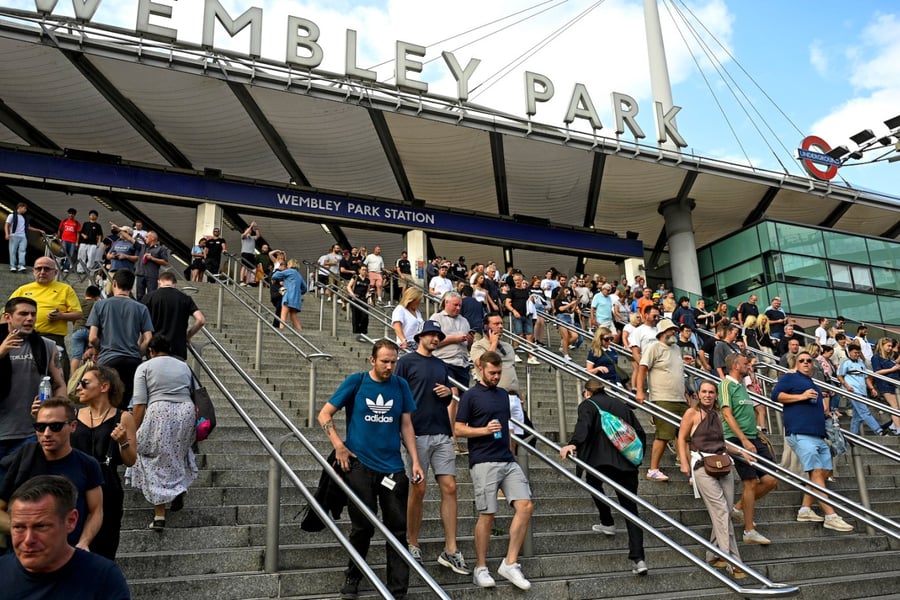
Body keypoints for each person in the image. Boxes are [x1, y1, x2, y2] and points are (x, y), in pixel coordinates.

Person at [317, 340, 422, 600]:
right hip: (360, 464)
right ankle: (353, 576)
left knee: (397, 530)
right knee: (363, 525)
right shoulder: (357, 381)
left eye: (393, 361)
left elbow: (406, 425)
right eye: (384, 361)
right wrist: (339, 446)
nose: (389, 366)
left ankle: (398, 591)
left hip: (393, 467)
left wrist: (415, 460)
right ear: (372, 360)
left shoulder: (400, 386)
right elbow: (324, 414)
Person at [394, 321, 471, 575]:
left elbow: (447, 397)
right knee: (419, 488)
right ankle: (412, 542)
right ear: (421, 336)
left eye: (438, 336)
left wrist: (448, 394)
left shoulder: (441, 365)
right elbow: (396, 393)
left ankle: (450, 549)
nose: (435, 339)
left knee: (450, 487)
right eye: (431, 334)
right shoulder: (406, 362)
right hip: (415, 433)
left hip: (440, 432)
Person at [455, 351, 534, 590]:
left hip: (506, 459)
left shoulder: (502, 395)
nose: (496, 377)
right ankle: (480, 567)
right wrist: (483, 431)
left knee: (526, 505)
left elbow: (506, 427)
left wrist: (509, 446)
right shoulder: (470, 396)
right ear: (480, 369)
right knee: (488, 514)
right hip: (483, 461)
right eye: (492, 373)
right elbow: (458, 429)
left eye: (499, 373)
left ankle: (510, 563)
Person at [560, 379, 648, 575]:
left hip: (600, 462)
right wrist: (636, 459)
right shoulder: (621, 405)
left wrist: (573, 444)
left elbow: (583, 428)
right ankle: (639, 558)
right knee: (630, 508)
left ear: (587, 392)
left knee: (593, 484)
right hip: (627, 464)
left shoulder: (588, 405)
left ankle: (607, 521)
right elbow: (640, 433)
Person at [0, 475, 130, 599]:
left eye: (41, 527)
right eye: (19, 527)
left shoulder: (103, 577)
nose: (28, 539)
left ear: (71, 521)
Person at [0, 398, 103, 551]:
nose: (47, 433)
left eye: (55, 426)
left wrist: (84, 542)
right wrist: (26, 532)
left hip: (69, 553)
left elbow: (96, 510)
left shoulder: (87, 464)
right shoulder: (21, 459)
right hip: (25, 554)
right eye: (40, 427)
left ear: (73, 426)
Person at [771, 350, 854, 531]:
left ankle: (805, 509)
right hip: (800, 433)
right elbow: (775, 395)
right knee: (816, 472)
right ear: (796, 363)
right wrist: (801, 396)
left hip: (817, 434)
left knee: (824, 472)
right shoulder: (789, 378)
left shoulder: (811, 382)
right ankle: (831, 516)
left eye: (809, 360)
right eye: (802, 360)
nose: (806, 363)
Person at [677, 382, 748, 579]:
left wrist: (742, 452)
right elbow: (682, 438)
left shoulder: (716, 415)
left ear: (716, 395)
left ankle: (713, 555)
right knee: (721, 511)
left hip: (722, 463)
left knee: (725, 510)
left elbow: (721, 442)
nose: (707, 395)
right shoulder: (691, 414)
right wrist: (684, 464)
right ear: (698, 394)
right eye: (704, 392)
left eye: (711, 392)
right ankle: (733, 561)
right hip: (701, 465)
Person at [128, 334, 198, 530]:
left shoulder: (145, 367)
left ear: (150, 351)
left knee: (151, 457)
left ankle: (159, 515)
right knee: (177, 453)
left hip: (159, 411)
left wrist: (133, 430)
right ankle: (178, 489)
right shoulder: (183, 366)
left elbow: (140, 404)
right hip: (186, 410)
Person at [72, 364, 136, 559]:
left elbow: (131, 460)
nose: (78, 388)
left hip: (107, 487)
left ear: (104, 386)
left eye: (85, 383)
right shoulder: (73, 415)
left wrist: (123, 442)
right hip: (76, 486)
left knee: (104, 548)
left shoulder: (123, 417)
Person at [0, 297, 66, 481]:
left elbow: (59, 384)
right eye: (23, 314)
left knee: (25, 491)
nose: (29, 318)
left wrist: (56, 413)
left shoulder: (46, 345)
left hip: (30, 432)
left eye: (33, 314)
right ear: (8, 317)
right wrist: (2, 352)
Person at [718, 353, 776, 546]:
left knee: (770, 480)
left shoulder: (742, 386)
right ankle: (749, 530)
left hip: (752, 436)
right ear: (735, 365)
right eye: (745, 363)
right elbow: (727, 414)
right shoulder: (726, 385)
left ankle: (739, 507)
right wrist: (743, 440)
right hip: (737, 438)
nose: (749, 366)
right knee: (750, 482)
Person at [84, 269, 154, 404]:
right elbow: (148, 338)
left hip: (108, 359)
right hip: (132, 360)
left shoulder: (100, 305)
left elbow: (92, 338)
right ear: (131, 286)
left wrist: (100, 349)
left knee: (106, 402)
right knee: (124, 402)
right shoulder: (141, 308)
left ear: (114, 283)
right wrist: (138, 352)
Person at [9, 256, 83, 380]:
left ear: (55, 272)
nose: (42, 272)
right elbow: (8, 312)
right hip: (26, 337)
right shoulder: (23, 289)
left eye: (47, 269)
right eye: (39, 268)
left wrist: (61, 316)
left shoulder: (65, 289)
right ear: (33, 271)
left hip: (53, 338)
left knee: (58, 376)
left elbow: (78, 313)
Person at [636, 318, 686, 482]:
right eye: (672, 330)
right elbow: (642, 368)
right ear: (663, 333)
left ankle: (688, 467)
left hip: (680, 398)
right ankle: (653, 469)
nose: (674, 332)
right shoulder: (654, 347)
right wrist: (640, 391)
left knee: (686, 435)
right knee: (664, 434)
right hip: (662, 397)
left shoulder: (677, 349)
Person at [142, 271, 207, 360]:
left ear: (159, 282)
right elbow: (201, 320)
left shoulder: (149, 297)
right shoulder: (185, 298)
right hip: (177, 350)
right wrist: (187, 336)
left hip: (155, 349)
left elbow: (140, 322)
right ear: (175, 284)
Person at [837, 344, 885, 435]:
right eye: (855, 352)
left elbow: (866, 377)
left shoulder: (860, 363)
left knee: (857, 416)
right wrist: (846, 386)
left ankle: (852, 435)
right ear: (850, 352)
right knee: (864, 411)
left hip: (862, 391)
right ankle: (878, 430)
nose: (857, 354)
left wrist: (872, 388)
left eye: (859, 353)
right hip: (853, 391)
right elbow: (840, 375)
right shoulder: (846, 362)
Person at [471, 313, 520, 390]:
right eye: (496, 324)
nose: (500, 326)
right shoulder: (478, 346)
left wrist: (519, 395)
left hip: (513, 395)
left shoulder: (508, 347)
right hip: (492, 393)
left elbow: (513, 372)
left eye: (501, 323)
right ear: (486, 327)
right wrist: (494, 343)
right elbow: (482, 364)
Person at [69, 285, 102, 375]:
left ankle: (73, 378)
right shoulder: (96, 304)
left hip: (77, 331)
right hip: (90, 331)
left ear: (85, 294)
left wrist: (76, 326)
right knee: (92, 353)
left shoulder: (79, 303)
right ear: (97, 297)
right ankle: (90, 374)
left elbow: (74, 317)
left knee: (76, 356)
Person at [5, 202, 45, 273]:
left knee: (22, 251)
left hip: (23, 236)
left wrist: (39, 230)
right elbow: (6, 225)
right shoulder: (11, 215)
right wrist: (7, 234)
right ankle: (13, 266)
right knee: (13, 251)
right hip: (14, 236)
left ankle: (21, 266)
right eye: (24, 208)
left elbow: (28, 227)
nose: (25, 210)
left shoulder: (24, 217)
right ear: (20, 207)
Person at [872, 338, 900, 435]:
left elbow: (894, 366)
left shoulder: (889, 358)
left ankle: (892, 425)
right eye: (888, 346)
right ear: (882, 345)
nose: (890, 348)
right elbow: (877, 372)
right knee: (895, 407)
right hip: (885, 384)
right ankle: (898, 428)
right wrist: (892, 369)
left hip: (894, 384)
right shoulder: (876, 357)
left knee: (897, 407)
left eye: (891, 346)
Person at [270, 257, 308, 330]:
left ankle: (281, 332)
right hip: (296, 299)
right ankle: (301, 333)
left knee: (283, 315)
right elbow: (304, 288)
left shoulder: (289, 271)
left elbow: (276, 275)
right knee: (293, 317)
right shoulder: (299, 275)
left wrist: (276, 272)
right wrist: (298, 292)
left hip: (288, 297)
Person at [133, 231, 169, 301]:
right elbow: (131, 240)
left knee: (151, 296)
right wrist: (120, 230)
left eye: (147, 237)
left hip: (151, 276)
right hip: (140, 274)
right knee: (139, 296)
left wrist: (152, 258)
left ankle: (151, 311)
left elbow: (165, 262)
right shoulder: (143, 247)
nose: (145, 238)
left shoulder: (161, 249)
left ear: (152, 238)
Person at [391, 287, 424, 351]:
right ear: (411, 300)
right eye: (418, 301)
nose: (419, 303)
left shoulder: (417, 312)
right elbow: (397, 326)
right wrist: (403, 340)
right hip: (407, 343)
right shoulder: (400, 309)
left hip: (418, 344)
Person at [347, 265, 371, 335]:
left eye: (365, 270)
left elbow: (368, 290)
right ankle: (356, 331)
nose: (364, 271)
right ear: (359, 270)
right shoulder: (355, 277)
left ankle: (363, 330)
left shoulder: (367, 280)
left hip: (363, 298)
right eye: (363, 269)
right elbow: (349, 286)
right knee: (356, 315)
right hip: (356, 297)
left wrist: (368, 295)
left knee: (365, 315)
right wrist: (352, 294)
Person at [57, 208, 81, 273]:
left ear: (74, 215)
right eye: (70, 213)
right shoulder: (64, 221)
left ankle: (66, 267)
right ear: (68, 214)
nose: (71, 215)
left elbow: (78, 233)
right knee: (62, 252)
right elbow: (59, 230)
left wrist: (77, 242)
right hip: (64, 240)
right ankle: (60, 265)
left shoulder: (76, 223)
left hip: (72, 241)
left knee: (70, 255)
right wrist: (58, 238)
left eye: (72, 214)